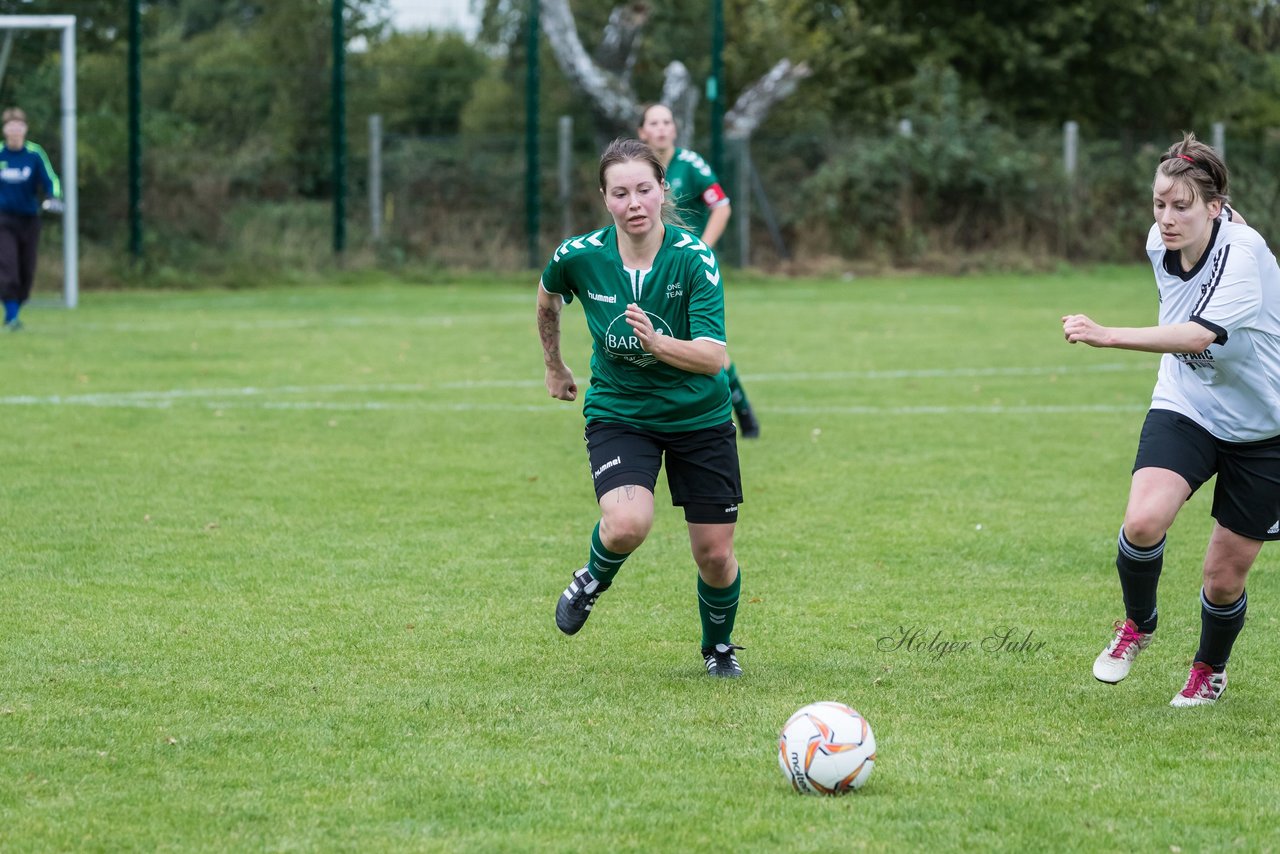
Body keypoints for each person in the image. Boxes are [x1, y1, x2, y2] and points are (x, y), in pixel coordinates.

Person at [1063, 132, 1280, 707]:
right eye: (1159, 203)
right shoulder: (1163, 244)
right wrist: (1192, 182)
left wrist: (1108, 334)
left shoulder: (1245, 255)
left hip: (1265, 430)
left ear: (1214, 209)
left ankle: (1209, 668)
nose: (1165, 218)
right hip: (1188, 402)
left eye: (1180, 205)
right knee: (1142, 522)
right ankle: (1139, 625)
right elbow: (1187, 346)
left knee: (1222, 577)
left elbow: (1197, 333)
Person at [537, 137, 747, 678]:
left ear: (663, 192)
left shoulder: (694, 258)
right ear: (605, 199)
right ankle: (591, 579)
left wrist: (658, 345)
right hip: (621, 412)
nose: (634, 203)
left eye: (644, 190)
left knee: (715, 556)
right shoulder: (579, 256)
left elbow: (713, 358)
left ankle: (718, 650)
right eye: (621, 192)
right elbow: (547, 297)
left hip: (699, 418)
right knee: (627, 523)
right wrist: (555, 366)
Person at [637, 103, 760, 439]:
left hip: (688, 271)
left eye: (667, 122)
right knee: (657, 337)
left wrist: (702, 247)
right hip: (650, 270)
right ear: (642, 132)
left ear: (675, 129)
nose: (661, 128)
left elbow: (721, 205)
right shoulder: (637, 171)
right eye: (654, 123)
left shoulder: (690, 164)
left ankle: (740, 412)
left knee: (703, 343)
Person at [0, 107, 62, 331]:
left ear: (25, 129)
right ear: (5, 130)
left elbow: (51, 180)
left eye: (19, 126)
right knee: (8, 267)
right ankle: (12, 318)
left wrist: (53, 196)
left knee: (26, 272)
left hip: (29, 220)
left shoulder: (34, 154)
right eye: (11, 126)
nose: (15, 131)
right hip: (3, 220)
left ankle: (15, 309)